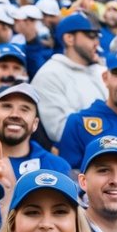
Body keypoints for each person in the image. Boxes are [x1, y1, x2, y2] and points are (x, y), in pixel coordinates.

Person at [33, 13, 107, 142]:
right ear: (69, 38)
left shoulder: (101, 70)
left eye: (98, 37)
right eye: (91, 36)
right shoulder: (49, 75)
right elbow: (60, 131)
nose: (97, 43)